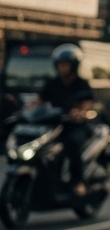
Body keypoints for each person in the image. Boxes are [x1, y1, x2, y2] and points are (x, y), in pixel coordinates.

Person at [39, 44, 95, 198]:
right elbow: (39, 101)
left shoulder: (81, 84)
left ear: (74, 66)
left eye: (65, 64)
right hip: (55, 126)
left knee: (71, 144)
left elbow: (87, 103)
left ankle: (78, 182)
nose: (61, 68)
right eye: (59, 64)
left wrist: (80, 112)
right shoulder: (52, 83)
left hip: (75, 127)